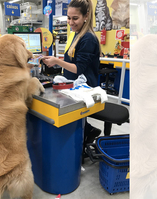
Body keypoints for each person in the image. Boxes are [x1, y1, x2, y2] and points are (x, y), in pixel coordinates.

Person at [42, 0, 102, 158]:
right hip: (71, 86)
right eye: (68, 18)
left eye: (74, 18)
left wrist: (56, 61)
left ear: (86, 16)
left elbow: (79, 68)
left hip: (82, 89)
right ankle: (87, 132)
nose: (70, 22)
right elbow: (72, 60)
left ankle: (80, 143)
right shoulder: (77, 34)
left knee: (73, 121)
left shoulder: (88, 38)